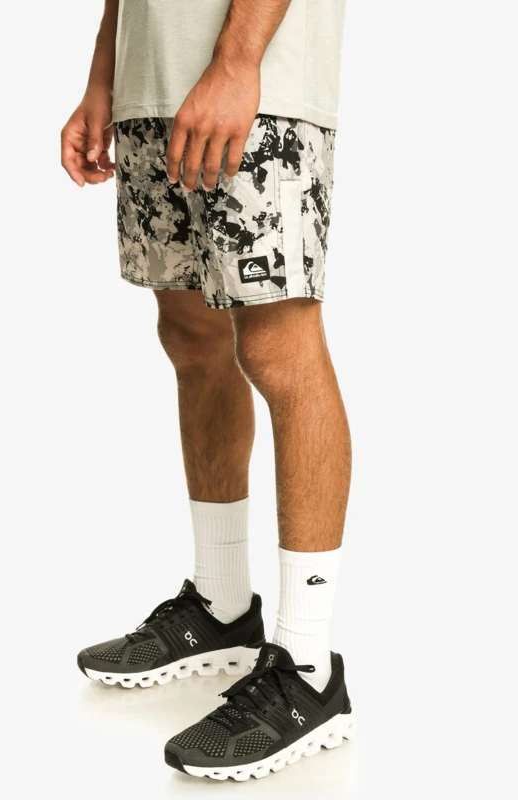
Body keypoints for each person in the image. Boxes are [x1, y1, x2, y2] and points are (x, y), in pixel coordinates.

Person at [62, 0, 354, 781]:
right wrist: (105, 75)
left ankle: (308, 669)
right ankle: (222, 606)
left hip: (258, 86)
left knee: (280, 350)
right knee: (192, 338)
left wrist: (236, 59)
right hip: (152, 88)